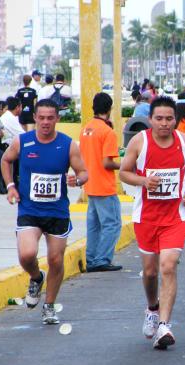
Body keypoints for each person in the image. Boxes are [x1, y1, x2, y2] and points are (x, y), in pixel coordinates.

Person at [119, 96, 185, 350]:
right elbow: (124, 171)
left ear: (175, 120)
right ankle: (152, 308)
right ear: (151, 120)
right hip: (146, 217)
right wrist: (143, 181)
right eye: (159, 119)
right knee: (151, 272)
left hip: (174, 217)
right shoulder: (139, 141)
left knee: (168, 266)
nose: (165, 124)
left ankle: (164, 325)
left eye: (169, 119)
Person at [0, 99, 88, 324]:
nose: (46, 122)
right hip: (29, 208)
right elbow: (5, 160)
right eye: (42, 118)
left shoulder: (68, 145)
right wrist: (11, 186)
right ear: (35, 118)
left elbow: (84, 172)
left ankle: (49, 306)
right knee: (27, 254)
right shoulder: (23, 141)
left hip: (57, 211)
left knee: (55, 260)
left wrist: (76, 180)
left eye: (51, 118)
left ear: (57, 119)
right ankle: (36, 277)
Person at [79, 93, 123, 273]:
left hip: (90, 184)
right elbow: (107, 163)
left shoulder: (85, 129)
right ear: (109, 108)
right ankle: (102, 259)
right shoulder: (107, 132)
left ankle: (92, 259)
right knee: (112, 224)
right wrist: (124, 165)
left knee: (94, 225)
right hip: (104, 186)